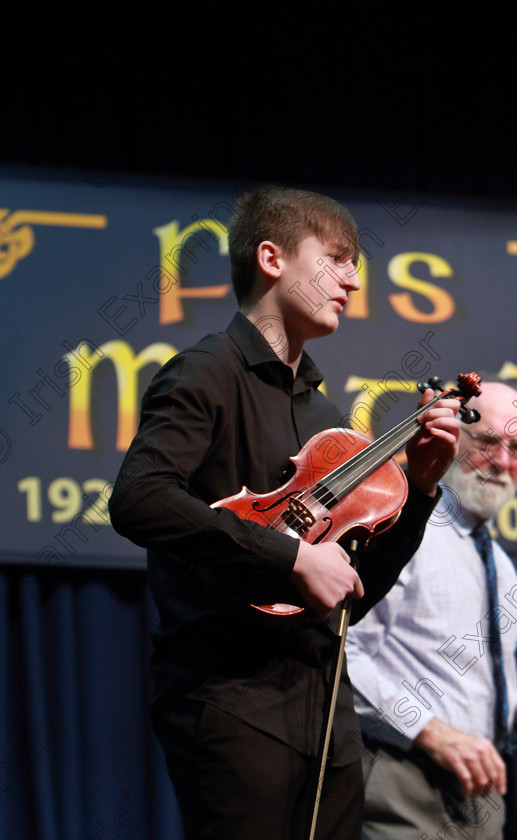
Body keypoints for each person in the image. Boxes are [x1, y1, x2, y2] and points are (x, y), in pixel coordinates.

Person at [108, 185, 461, 840]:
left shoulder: (325, 420)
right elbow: (139, 498)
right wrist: (291, 555)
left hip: (327, 719)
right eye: (336, 259)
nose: (354, 280)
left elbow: (350, 593)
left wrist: (424, 491)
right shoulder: (207, 373)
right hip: (231, 703)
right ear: (271, 258)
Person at [346, 381, 517, 840]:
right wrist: (430, 732)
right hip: (398, 785)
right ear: (453, 436)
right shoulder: (401, 531)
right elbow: (339, 655)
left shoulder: (501, 566)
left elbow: (468, 697)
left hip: (481, 805)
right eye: (486, 441)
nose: (502, 461)